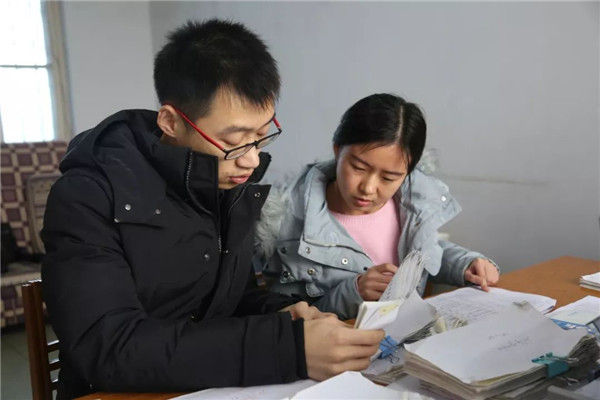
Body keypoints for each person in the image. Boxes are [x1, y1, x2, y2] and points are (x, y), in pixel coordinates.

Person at [41, 19, 384, 399]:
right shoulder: (86, 196)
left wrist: (283, 314)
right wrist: (286, 347)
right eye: (234, 141)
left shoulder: (223, 183)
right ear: (171, 122)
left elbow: (226, 300)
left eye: (261, 135)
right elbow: (110, 349)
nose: (252, 159)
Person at [254, 93, 500, 320]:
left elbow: (426, 250)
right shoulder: (283, 222)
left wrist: (465, 264)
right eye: (359, 168)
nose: (368, 188)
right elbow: (286, 319)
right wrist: (354, 292)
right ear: (337, 150)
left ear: (408, 172)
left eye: (389, 177)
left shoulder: (413, 203)